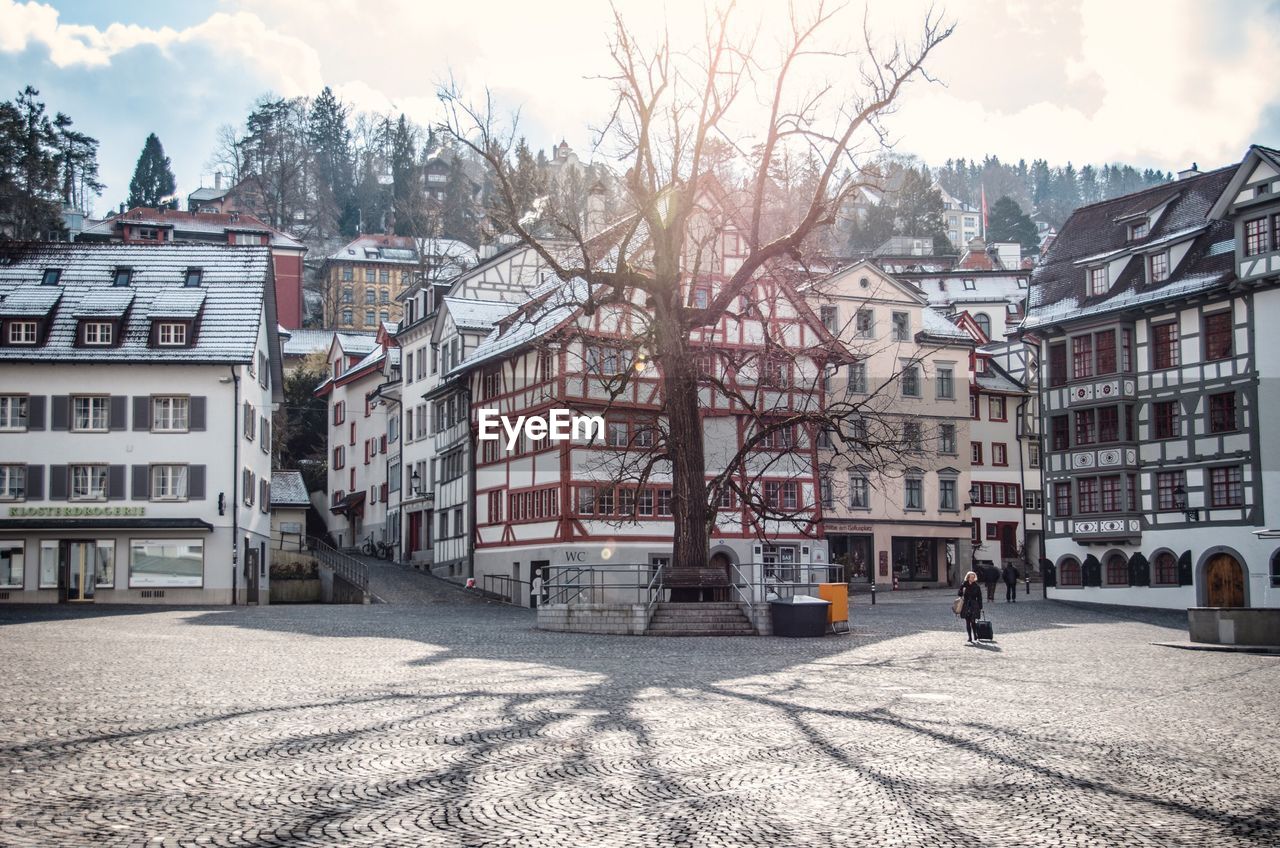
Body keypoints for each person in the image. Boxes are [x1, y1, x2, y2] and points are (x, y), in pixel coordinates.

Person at [958, 571, 984, 643]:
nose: (972, 578)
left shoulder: (977, 586)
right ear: (968, 578)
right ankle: (969, 637)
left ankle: (975, 634)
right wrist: (961, 591)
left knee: (973, 621)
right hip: (966, 604)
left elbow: (979, 597)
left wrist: (980, 606)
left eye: (973, 577)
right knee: (967, 621)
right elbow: (959, 594)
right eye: (971, 577)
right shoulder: (964, 585)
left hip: (974, 605)